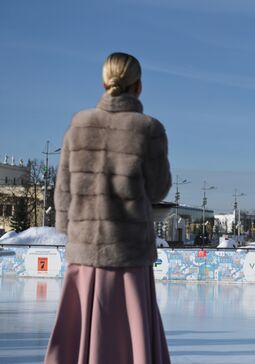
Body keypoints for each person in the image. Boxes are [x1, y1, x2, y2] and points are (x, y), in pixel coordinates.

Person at [44, 52, 172, 364]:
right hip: (129, 253)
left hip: (85, 253)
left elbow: (62, 193)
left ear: (103, 82)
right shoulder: (148, 128)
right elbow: (158, 189)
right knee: (131, 339)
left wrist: (75, 232)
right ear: (138, 86)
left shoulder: (79, 124)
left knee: (83, 337)